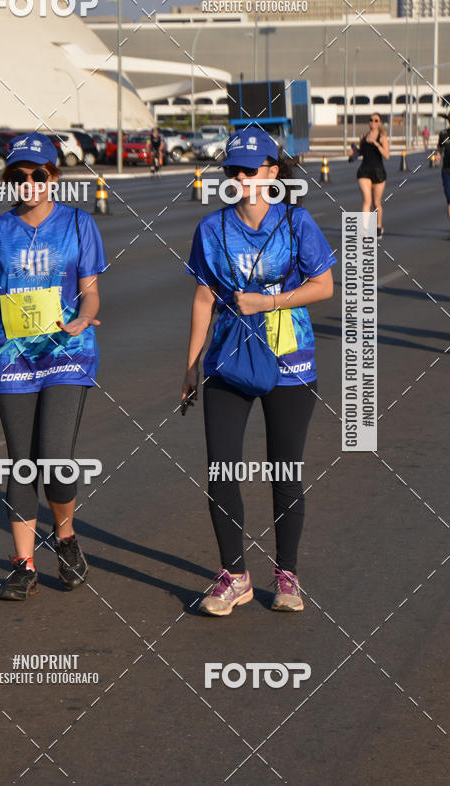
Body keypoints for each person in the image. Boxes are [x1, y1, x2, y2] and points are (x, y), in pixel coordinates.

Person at [181, 127, 336, 616]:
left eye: (249, 169)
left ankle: (286, 575)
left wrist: (267, 301)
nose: (240, 178)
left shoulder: (297, 222)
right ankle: (234, 575)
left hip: (291, 361)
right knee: (221, 468)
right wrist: (190, 365)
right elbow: (204, 297)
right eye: (233, 170)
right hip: (228, 361)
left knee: (284, 469)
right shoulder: (212, 228)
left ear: (272, 172)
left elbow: (324, 286)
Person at [0, 133, 107, 600]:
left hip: (66, 353)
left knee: (54, 457)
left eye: (38, 174)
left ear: (54, 176)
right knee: (20, 464)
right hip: (12, 357)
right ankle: (23, 564)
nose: (28, 183)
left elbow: (88, 287)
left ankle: (65, 538)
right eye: (18, 176)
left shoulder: (78, 224)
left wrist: (84, 316)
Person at [352, 112, 389, 239]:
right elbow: (362, 153)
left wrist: (376, 144)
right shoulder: (363, 137)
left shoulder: (382, 137)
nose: (373, 122)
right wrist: (354, 153)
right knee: (367, 201)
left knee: (376, 202)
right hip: (364, 171)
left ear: (379, 123)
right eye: (371, 120)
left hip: (378, 173)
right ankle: (365, 230)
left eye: (376, 120)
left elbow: (387, 155)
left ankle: (378, 227)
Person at [435, 117, 450, 229]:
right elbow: (440, 146)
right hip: (447, 170)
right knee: (449, 200)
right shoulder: (444, 134)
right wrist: (438, 155)